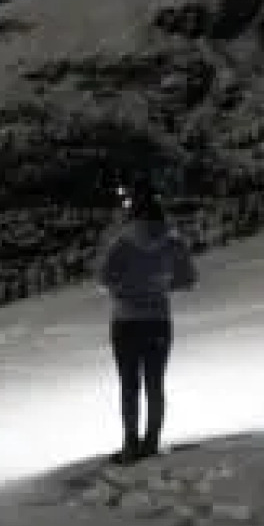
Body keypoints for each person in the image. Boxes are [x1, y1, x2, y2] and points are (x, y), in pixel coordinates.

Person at [95, 181, 198, 463]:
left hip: (126, 321)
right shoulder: (173, 243)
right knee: (155, 383)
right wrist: (160, 286)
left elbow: (104, 279)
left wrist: (127, 290)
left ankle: (131, 445)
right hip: (158, 321)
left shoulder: (122, 244)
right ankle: (151, 442)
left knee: (129, 385)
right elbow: (188, 280)